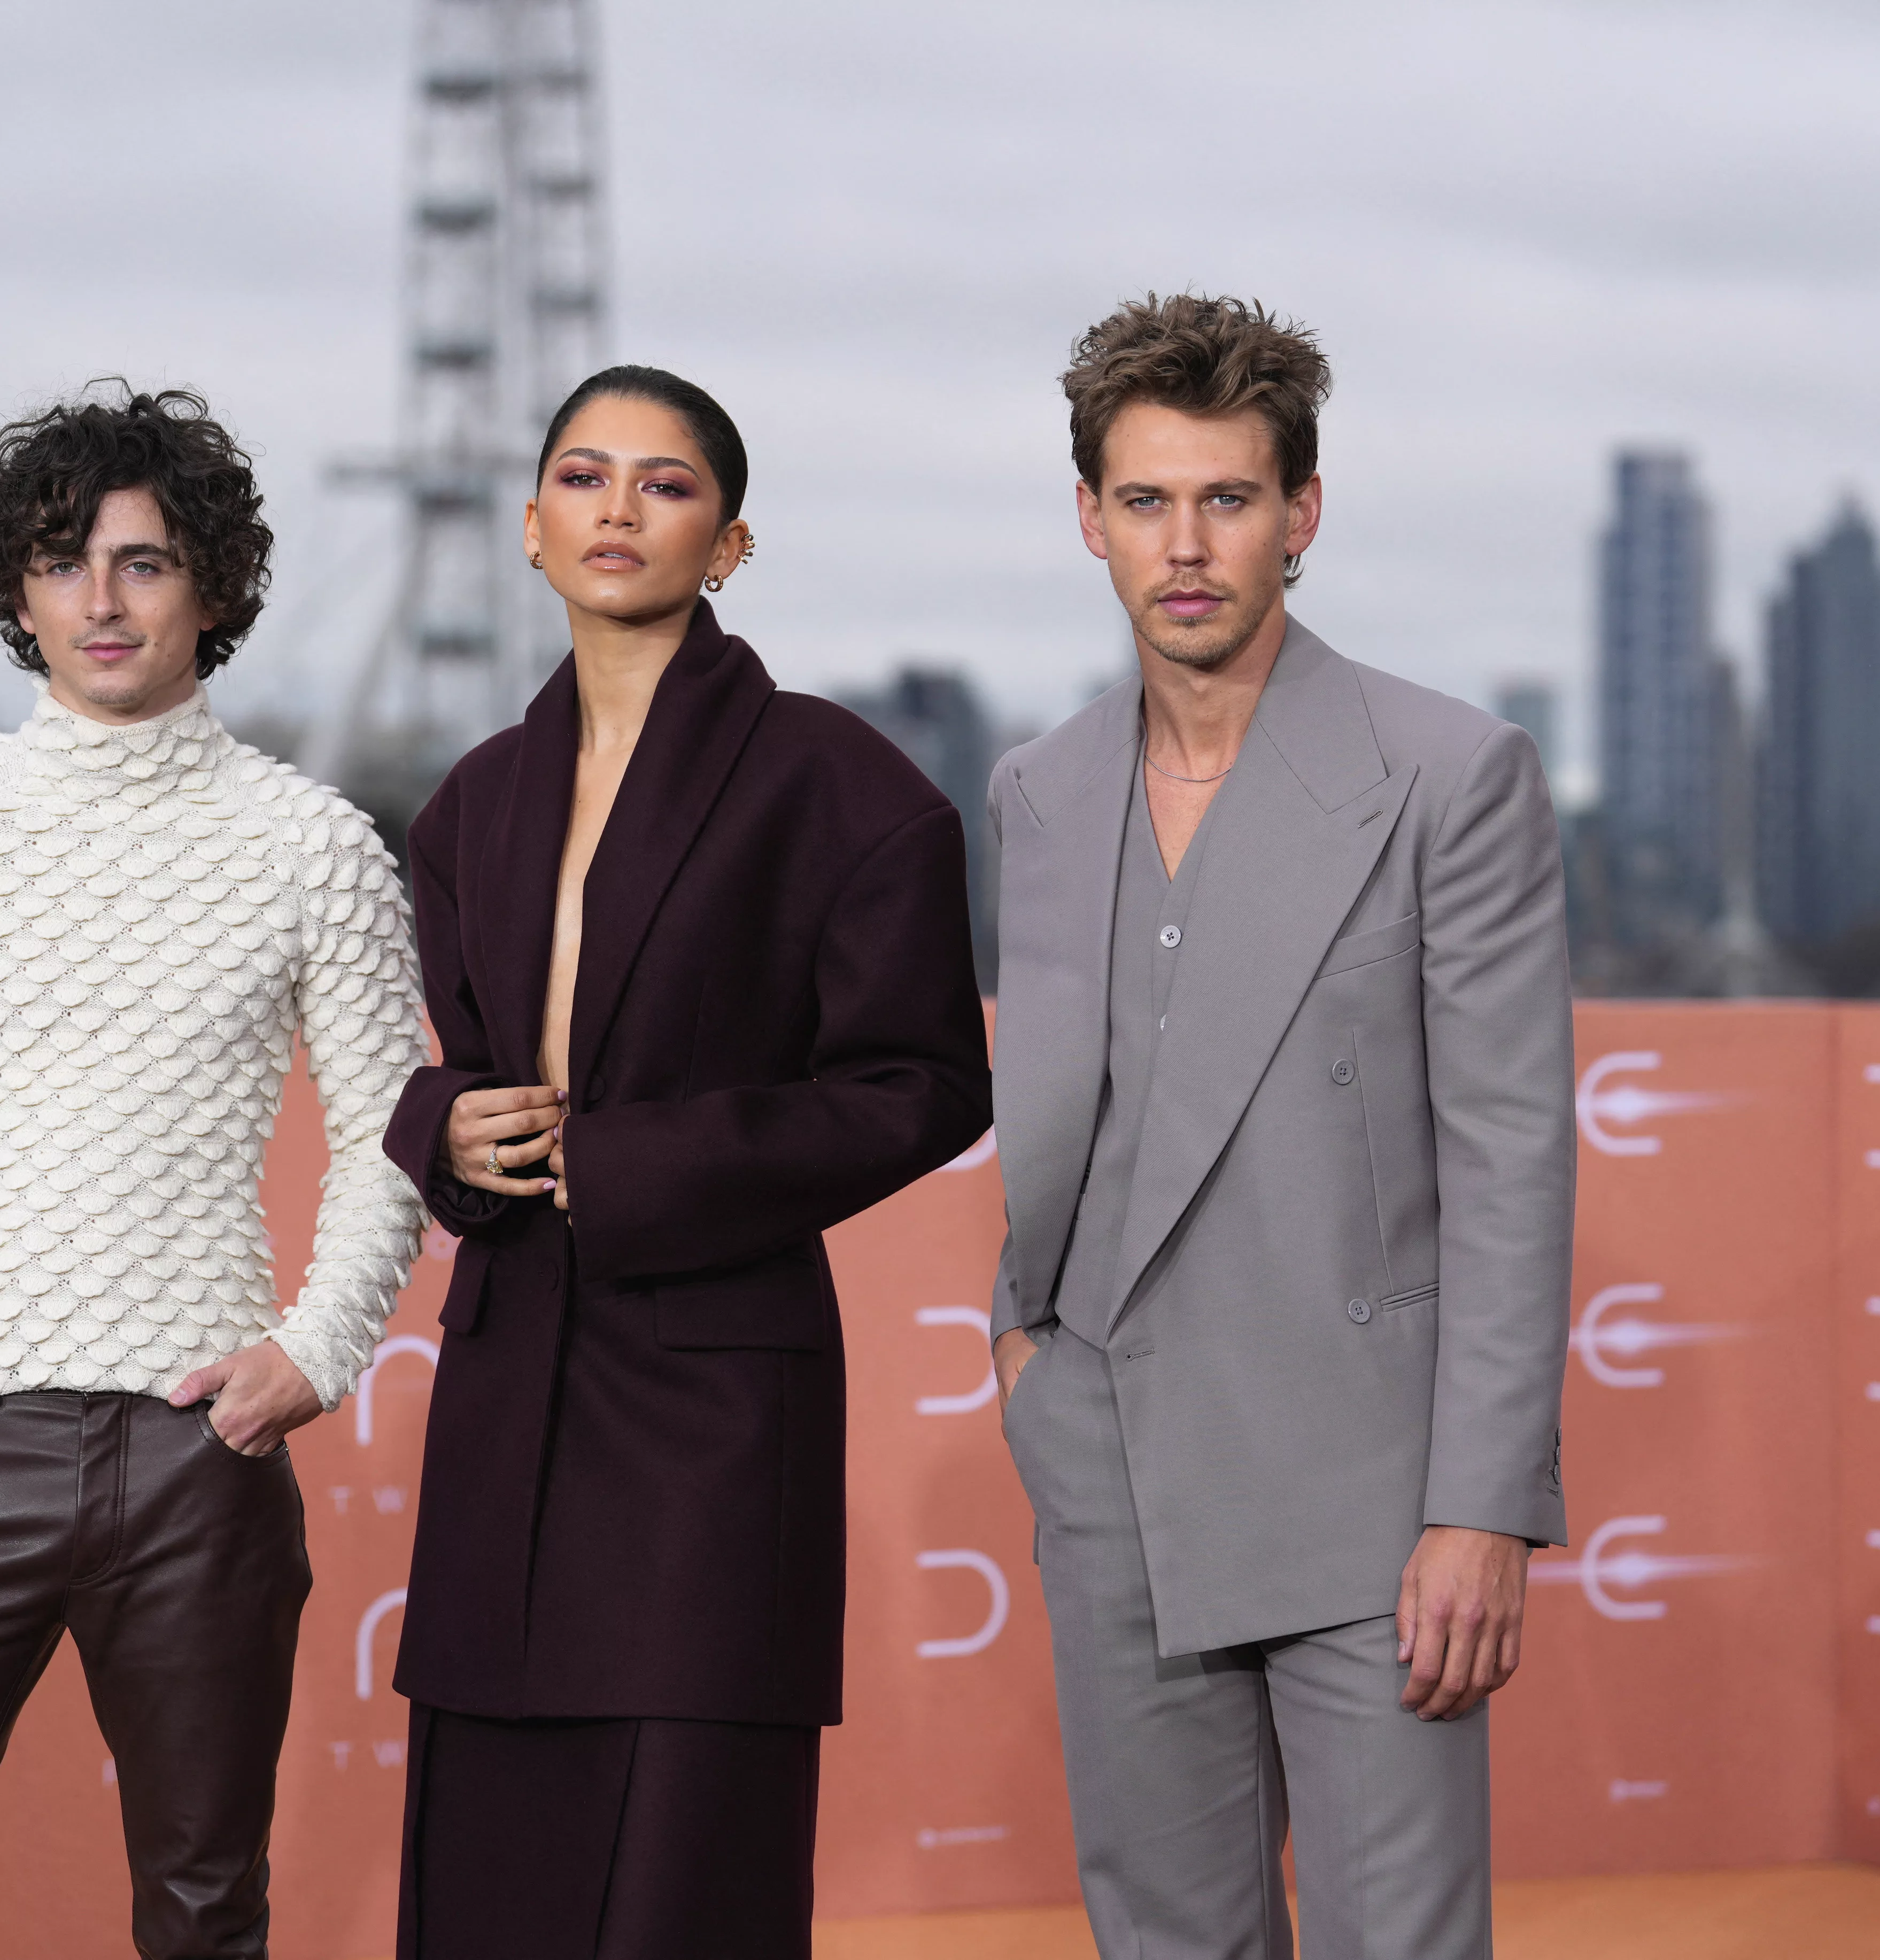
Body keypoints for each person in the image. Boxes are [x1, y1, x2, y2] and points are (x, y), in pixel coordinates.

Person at [0, 384, 427, 1959]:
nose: (101, 602)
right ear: (16, 593)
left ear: (215, 589)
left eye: (142, 561)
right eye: (62, 564)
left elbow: (393, 1132)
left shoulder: (316, 847)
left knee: (203, 1916)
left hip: (202, 1467)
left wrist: (315, 1353)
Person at [378, 365, 993, 1959]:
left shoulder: (839, 783)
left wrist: (636, 1166)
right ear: (529, 528)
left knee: (679, 1890)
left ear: (726, 545)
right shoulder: (469, 804)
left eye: (664, 485)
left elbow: (923, 1085)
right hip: (511, 1387)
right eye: (582, 478)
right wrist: (439, 1130)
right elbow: (436, 1075)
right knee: (487, 1873)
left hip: (714, 1411)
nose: (617, 511)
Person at [987, 295, 1574, 1959]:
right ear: (1090, 520)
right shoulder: (1040, 789)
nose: (1187, 546)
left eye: (1228, 500)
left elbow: (1511, 1160)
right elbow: (1058, 1099)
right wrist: (1019, 1338)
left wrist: (1481, 1508)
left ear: (1299, 515)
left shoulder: (1447, 773)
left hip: (1369, 1493)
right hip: (1111, 1458)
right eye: (1147, 501)